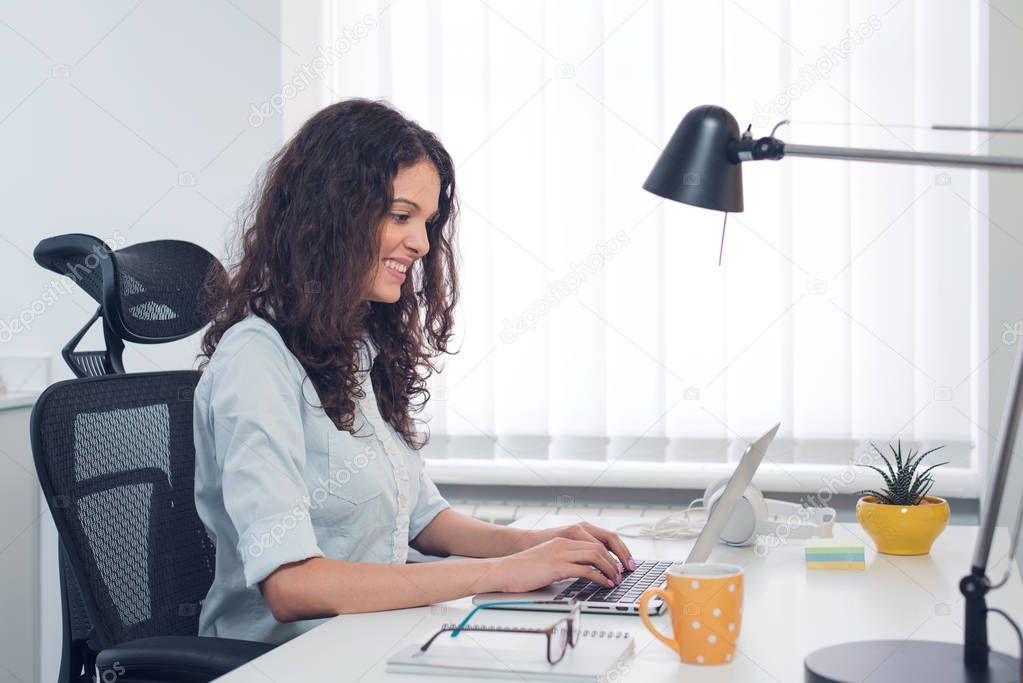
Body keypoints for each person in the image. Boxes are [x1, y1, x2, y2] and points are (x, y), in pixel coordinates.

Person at [192, 98, 634, 644]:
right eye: (402, 216)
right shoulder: (256, 360)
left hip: (372, 641)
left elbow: (423, 520)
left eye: (426, 222)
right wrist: (499, 573)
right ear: (332, 216)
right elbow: (293, 586)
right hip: (284, 662)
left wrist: (536, 544)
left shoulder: (350, 348)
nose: (422, 244)